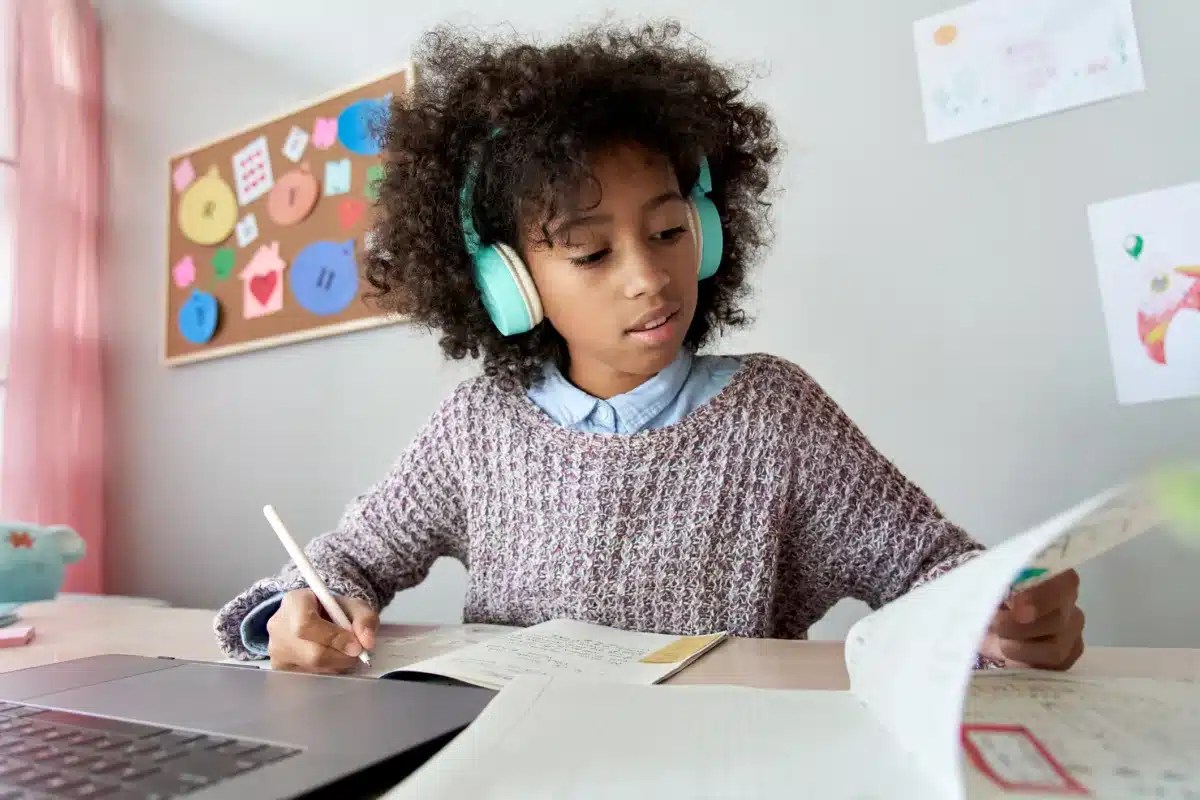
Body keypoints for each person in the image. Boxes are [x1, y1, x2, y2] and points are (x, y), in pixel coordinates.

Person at [213, 21, 1084, 675]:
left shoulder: (776, 417)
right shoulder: (478, 429)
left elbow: (931, 568)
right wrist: (307, 611)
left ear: (707, 229)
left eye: (669, 230)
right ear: (508, 285)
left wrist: (999, 618)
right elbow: (349, 556)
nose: (647, 276)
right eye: (591, 253)